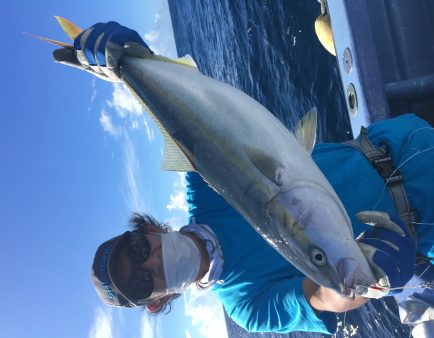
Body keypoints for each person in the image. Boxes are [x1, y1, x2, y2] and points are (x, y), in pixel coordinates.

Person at [54, 21, 434, 335]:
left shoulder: (202, 187)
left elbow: (191, 107)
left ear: (148, 231)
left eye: (138, 250)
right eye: (141, 282)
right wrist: (374, 274)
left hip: (399, 137)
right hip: (424, 219)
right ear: (155, 301)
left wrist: (130, 63)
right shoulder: (246, 306)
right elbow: (325, 297)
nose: (150, 264)